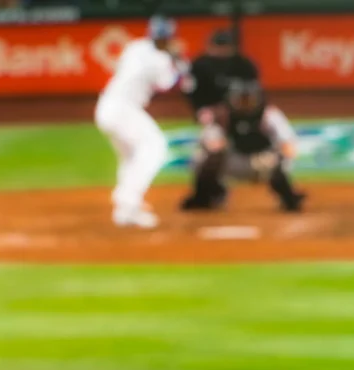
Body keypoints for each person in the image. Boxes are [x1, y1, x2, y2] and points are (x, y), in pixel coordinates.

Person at [94, 15, 184, 228]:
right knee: (156, 147)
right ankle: (129, 201)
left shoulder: (136, 47)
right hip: (124, 109)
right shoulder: (160, 60)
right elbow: (169, 84)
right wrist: (179, 63)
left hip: (107, 106)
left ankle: (124, 210)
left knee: (131, 156)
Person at [179, 68, 307, 212]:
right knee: (201, 158)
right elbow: (210, 141)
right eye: (241, 98)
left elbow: (288, 142)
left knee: (282, 157)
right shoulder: (222, 116)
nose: (244, 103)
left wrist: (281, 155)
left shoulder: (269, 115)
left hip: (262, 161)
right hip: (234, 161)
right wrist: (218, 144)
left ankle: (288, 195)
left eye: (248, 98)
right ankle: (207, 196)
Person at [180, 28, 259, 125]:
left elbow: (254, 90)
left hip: (239, 109)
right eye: (219, 46)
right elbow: (189, 90)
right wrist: (199, 110)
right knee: (207, 119)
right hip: (209, 108)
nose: (222, 51)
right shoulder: (200, 65)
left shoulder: (243, 64)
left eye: (226, 47)